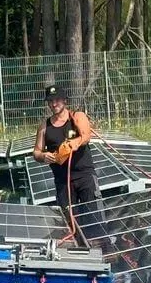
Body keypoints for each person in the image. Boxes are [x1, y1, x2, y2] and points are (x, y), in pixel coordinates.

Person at [33, 85, 105, 240]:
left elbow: (86, 136)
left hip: (84, 176)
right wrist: (44, 156)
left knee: (94, 217)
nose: (54, 104)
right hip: (63, 181)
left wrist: (75, 143)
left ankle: (100, 248)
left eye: (57, 100)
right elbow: (36, 152)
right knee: (68, 221)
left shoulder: (77, 117)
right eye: (50, 101)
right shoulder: (44, 126)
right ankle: (76, 250)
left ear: (64, 100)